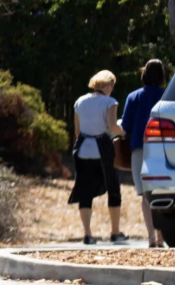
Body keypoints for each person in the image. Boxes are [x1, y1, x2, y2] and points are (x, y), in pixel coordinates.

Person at [68, 69, 126, 244]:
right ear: (108, 85)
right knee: (113, 187)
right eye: (112, 86)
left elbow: (77, 131)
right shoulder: (110, 102)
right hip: (102, 149)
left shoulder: (80, 101)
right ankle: (115, 232)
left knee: (84, 190)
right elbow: (112, 126)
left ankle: (87, 234)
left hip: (83, 149)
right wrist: (123, 133)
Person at [120, 58, 168, 248]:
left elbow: (125, 126)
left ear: (144, 74)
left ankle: (150, 238)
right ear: (162, 75)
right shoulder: (167, 95)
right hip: (163, 148)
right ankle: (162, 237)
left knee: (146, 196)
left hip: (139, 148)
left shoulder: (133, 97)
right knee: (162, 193)